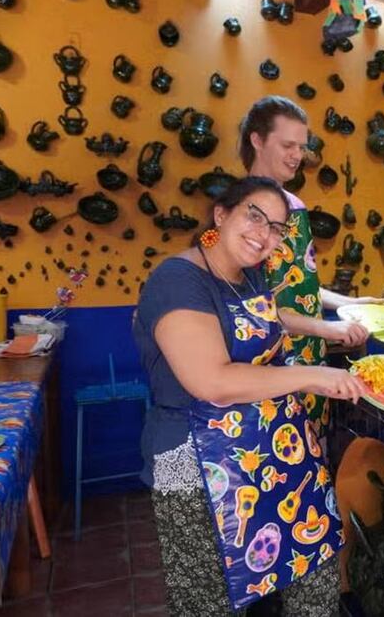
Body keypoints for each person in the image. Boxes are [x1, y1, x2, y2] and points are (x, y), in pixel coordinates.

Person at [133, 177, 364, 615]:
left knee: (313, 585)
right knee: (208, 603)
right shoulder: (177, 280)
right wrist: (312, 376)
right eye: (254, 216)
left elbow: (270, 317)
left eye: (276, 228)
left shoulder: (249, 275)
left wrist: (326, 328)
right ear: (221, 215)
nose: (264, 234)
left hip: (277, 456)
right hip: (198, 467)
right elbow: (212, 382)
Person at [239, 95, 380, 440]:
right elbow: (250, 308)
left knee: (314, 449)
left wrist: (349, 304)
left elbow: (298, 283)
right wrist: (328, 328)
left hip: (310, 356)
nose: (297, 155)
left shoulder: (295, 206)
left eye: (301, 147)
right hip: (266, 365)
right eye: (288, 145)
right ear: (257, 140)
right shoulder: (239, 211)